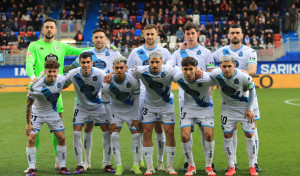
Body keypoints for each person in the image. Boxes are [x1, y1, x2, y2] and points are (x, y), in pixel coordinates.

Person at [25, 17, 91, 172]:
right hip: (38, 90)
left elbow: (81, 52)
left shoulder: (61, 46)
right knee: (33, 130)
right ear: (43, 30)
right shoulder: (34, 45)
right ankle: (33, 165)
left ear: (55, 30)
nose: (49, 29)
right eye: (46, 27)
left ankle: (58, 161)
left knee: (58, 130)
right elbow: (29, 63)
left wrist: (101, 48)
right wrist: (32, 77)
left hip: (56, 95)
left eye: (51, 27)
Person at [64, 28, 121, 172]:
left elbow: (123, 66)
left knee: (106, 131)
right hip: (81, 105)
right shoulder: (78, 65)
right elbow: (64, 79)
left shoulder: (111, 54)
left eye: (101, 37)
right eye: (96, 37)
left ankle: (106, 163)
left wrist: (112, 74)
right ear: (93, 39)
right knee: (81, 131)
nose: (99, 40)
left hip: (100, 102)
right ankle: (83, 163)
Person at [167, 22, 217, 173]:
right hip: (185, 99)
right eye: (187, 34)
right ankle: (189, 163)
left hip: (203, 98)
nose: (190, 36)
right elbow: (169, 68)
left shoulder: (206, 52)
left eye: (192, 33)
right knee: (186, 133)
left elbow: (212, 74)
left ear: (197, 34)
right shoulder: (177, 53)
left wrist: (208, 87)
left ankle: (209, 162)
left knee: (206, 132)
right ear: (184, 35)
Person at [212, 23, 262, 172]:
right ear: (228, 35)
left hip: (247, 96)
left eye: (237, 33)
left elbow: (252, 71)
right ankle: (232, 163)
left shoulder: (250, 51)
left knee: (252, 129)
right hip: (229, 98)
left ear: (242, 35)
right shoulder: (219, 52)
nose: (235, 35)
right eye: (232, 33)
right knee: (230, 130)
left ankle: (255, 161)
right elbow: (208, 63)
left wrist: (238, 74)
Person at [127, 24, 172, 171]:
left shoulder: (164, 52)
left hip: (161, 96)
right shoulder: (136, 52)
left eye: (152, 34)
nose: (150, 37)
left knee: (159, 128)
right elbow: (129, 73)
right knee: (143, 129)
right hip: (141, 96)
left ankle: (160, 162)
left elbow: (170, 69)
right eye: (147, 34)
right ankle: (140, 160)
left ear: (157, 34)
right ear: (143, 35)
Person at [130, 50, 177, 175]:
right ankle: (150, 166)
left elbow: (183, 75)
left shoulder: (170, 70)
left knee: (170, 133)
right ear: (148, 62)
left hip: (166, 105)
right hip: (149, 105)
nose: (155, 65)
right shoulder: (141, 70)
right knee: (146, 132)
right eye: (152, 62)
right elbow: (128, 74)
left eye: (157, 62)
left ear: (162, 62)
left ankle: (170, 166)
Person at [210, 55, 258, 176]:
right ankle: (231, 166)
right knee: (227, 134)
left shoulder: (243, 76)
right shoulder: (216, 74)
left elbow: (252, 89)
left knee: (249, 134)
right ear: (220, 66)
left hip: (243, 108)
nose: (226, 69)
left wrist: (250, 109)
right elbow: (206, 76)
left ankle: (252, 166)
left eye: (229, 66)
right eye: (224, 66)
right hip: (227, 109)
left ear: (234, 66)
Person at [25, 59, 71, 176]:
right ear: (45, 71)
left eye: (54, 71)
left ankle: (63, 166)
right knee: (31, 139)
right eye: (49, 71)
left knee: (61, 137)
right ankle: (31, 168)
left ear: (57, 71)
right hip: (37, 113)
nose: (52, 74)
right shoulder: (36, 86)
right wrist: (28, 123)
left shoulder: (62, 79)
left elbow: (72, 76)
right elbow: (29, 104)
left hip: (52, 112)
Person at [172, 57, 216, 176]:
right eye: (185, 69)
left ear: (196, 68)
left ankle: (208, 166)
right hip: (188, 108)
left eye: (191, 69)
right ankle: (191, 166)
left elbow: (219, 78)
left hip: (205, 107)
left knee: (208, 134)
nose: (188, 72)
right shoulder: (177, 77)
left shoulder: (205, 77)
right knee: (185, 136)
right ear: (182, 69)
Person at [102, 56, 142, 175]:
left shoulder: (133, 80)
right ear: (113, 68)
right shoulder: (106, 82)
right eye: (117, 68)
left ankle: (136, 165)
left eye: (121, 68)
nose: (119, 70)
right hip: (115, 110)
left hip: (130, 110)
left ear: (126, 68)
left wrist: (135, 118)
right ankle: (119, 166)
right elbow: (106, 104)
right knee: (114, 136)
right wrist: (111, 121)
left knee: (136, 136)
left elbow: (136, 101)